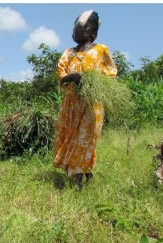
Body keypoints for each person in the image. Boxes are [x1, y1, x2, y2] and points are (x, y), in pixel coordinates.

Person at [53, 10, 118, 191]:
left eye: (84, 27)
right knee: (72, 139)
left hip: (92, 105)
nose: (78, 30)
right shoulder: (68, 53)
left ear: (93, 33)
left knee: (84, 140)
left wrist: (94, 79)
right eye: (76, 28)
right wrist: (72, 76)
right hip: (71, 105)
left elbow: (111, 73)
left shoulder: (101, 50)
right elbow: (61, 75)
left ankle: (78, 183)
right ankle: (87, 173)